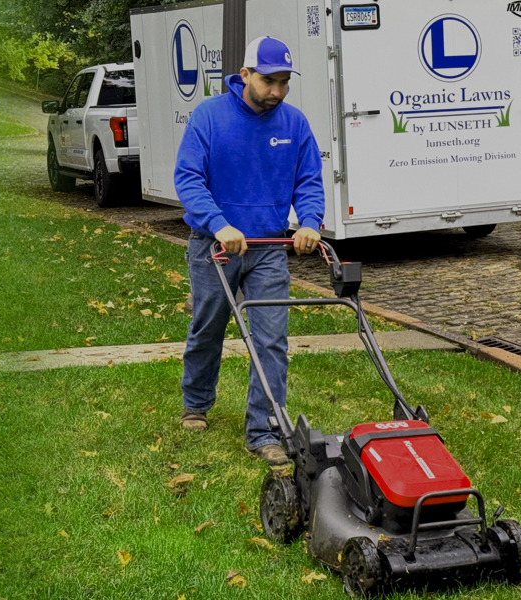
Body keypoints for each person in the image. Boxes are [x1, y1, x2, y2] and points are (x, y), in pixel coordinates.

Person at [173, 36, 325, 467]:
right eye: (268, 81)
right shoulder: (209, 116)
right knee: (209, 326)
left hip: (270, 249)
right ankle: (196, 402)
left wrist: (310, 222)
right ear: (244, 76)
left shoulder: (294, 124)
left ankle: (264, 430)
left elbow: (308, 181)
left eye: (284, 83)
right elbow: (188, 178)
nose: (276, 91)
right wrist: (219, 224)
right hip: (214, 247)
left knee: (272, 339)